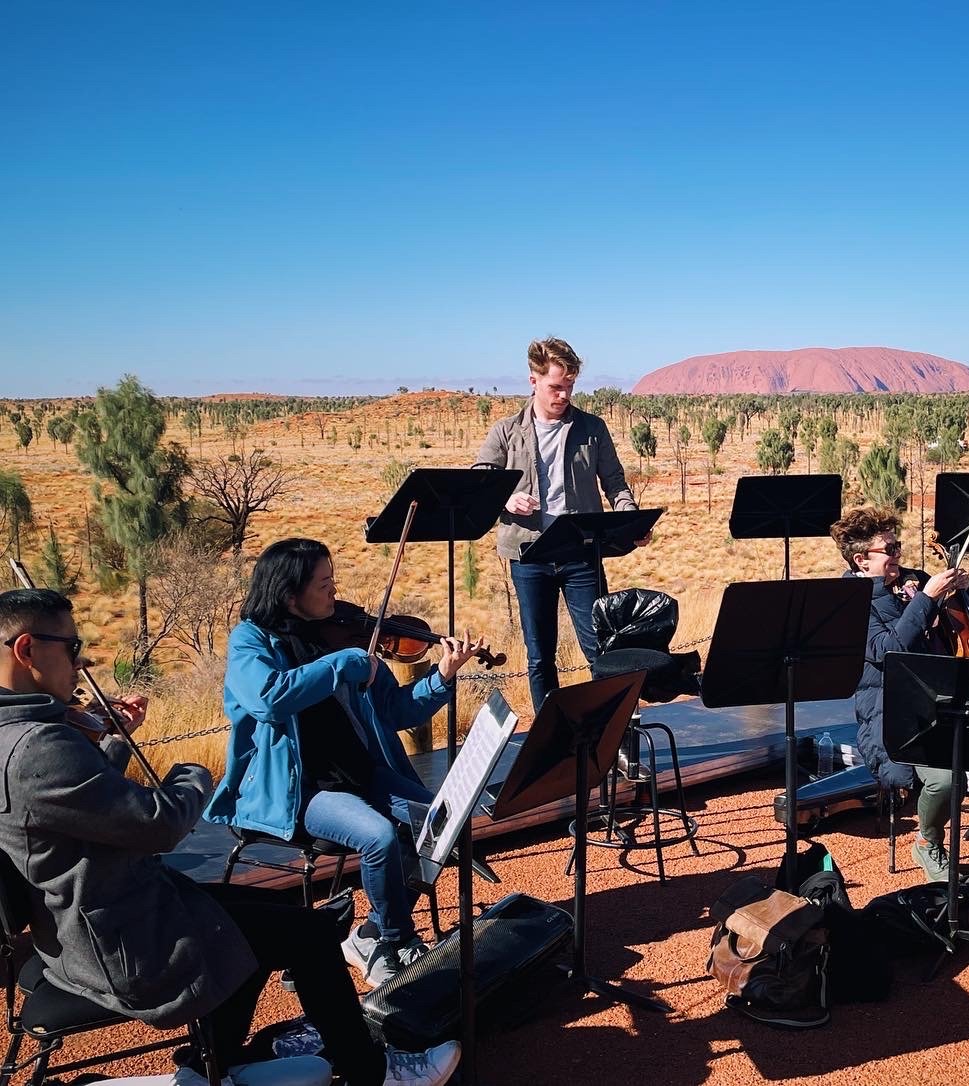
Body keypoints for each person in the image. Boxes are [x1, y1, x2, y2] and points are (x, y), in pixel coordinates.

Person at [0, 587, 462, 1086]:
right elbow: (162, 824)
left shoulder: (24, 733)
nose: (80, 661)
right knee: (307, 936)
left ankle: (213, 1061)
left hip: (95, 917)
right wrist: (195, 772)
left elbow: (82, 810)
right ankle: (375, 1074)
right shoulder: (39, 746)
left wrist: (109, 741)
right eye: (71, 648)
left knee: (279, 920)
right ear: (27, 650)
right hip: (124, 940)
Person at [206, 538, 487, 988]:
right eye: (324, 584)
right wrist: (343, 662)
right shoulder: (250, 642)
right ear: (288, 594)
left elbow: (396, 711)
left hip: (360, 774)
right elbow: (268, 698)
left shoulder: (342, 636)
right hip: (301, 792)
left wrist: (442, 676)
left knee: (442, 822)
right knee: (378, 836)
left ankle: (373, 930)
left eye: (332, 580)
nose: (334, 593)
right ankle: (395, 939)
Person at [830, 507, 969, 911]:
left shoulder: (912, 583)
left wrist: (963, 594)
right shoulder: (850, 602)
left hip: (950, 700)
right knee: (946, 779)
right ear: (861, 560)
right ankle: (927, 844)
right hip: (898, 714)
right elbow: (888, 649)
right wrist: (927, 599)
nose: (899, 554)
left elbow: (966, 630)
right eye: (890, 549)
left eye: (897, 545)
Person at [474, 336, 645, 715]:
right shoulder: (506, 431)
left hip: (581, 551)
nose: (563, 395)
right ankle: (550, 738)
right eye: (555, 386)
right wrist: (505, 498)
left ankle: (608, 734)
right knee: (539, 657)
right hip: (528, 554)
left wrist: (628, 516)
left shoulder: (592, 429)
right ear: (533, 380)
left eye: (569, 386)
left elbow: (614, 482)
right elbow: (480, 478)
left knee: (601, 649)